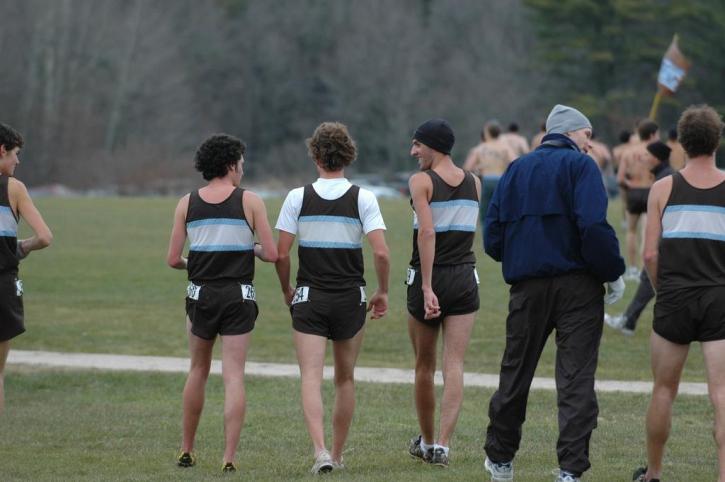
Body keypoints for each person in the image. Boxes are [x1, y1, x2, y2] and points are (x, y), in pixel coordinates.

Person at [482, 105, 625, 482]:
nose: (590, 144)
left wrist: (521, 253)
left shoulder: (516, 169)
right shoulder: (581, 167)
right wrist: (612, 273)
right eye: (587, 136)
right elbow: (594, 225)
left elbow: (492, 236)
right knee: (576, 379)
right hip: (579, 288)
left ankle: (500, 460)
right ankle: (570, 471)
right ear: (570, 132)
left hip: (527, 287)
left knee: (515, 373)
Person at [274, 122, 389, 474]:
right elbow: (382, 254)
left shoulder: (297, 197)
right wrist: (382, 291)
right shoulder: (364, 197)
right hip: (350, 299)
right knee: (345, 378)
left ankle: (320, 451)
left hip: (309, 297)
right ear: (348, 155)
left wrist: (285, 289)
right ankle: (338, 456)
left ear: (315, 155)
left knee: (311, 376)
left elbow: (281, 254)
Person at [167, 133, 278, 473]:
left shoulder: (186, 202)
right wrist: (251, 249)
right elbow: (272, 254)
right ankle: (229, 457)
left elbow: (173, 259)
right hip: (237, 296)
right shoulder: (251, 201)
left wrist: (197, 264)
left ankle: (187, 448)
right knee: (233, 376)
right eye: (241, 164)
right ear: (231, 164)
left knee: (197, 370)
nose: (242, 171)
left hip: (200, 294)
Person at [633, 105, 725, 482]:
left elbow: (650, 253)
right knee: (721, 393)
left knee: (664, 390)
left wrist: (662, 289)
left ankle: (653, 473)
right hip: (719, 296)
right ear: (717, 141)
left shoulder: (663, 188)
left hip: (674, 295)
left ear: (681, 144)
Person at [406, 118, 481, 468]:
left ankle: (426, 440)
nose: (413, 152)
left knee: (424, 365)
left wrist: (426, 285)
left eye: (417, 145)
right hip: (466, 277)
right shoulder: (475, 182)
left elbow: (428, 233)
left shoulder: (421, 181)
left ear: (433, 146)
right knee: (455, 364)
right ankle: (444, 446)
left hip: (429, 275)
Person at [0, 123, 52, 415]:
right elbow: (44, 237)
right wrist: (21, 247)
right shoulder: (13, 188)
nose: (17, 162)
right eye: (15, 154)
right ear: (2, 150)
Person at [605, 141, 674, 335]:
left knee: (651, 278)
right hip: (669, 241)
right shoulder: (664, 175)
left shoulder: (666, 178)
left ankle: (629, 321)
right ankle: (628, 322)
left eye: (647, 155)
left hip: (669, 241)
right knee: (648, 279)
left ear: (657, 157)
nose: (642, 158)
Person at [618, 119, 659, 281]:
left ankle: (633, 269)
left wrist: (630, 184)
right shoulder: (656, 151)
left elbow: (620, 178)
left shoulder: (628, 152)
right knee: (647, 231)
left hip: (634, 192)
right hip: (650, 190)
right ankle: (644, 269)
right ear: (652, 134)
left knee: (631, 230)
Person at [463, 120, 514, 236]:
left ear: (487, 133)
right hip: (502, 181)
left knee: (485, 212)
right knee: (502, 208)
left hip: (486, 181)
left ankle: (487, 236)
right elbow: (515, 162)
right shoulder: (505, 148)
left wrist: (478, 169)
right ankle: (503, 232)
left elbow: (467, 168)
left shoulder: (480, 148)